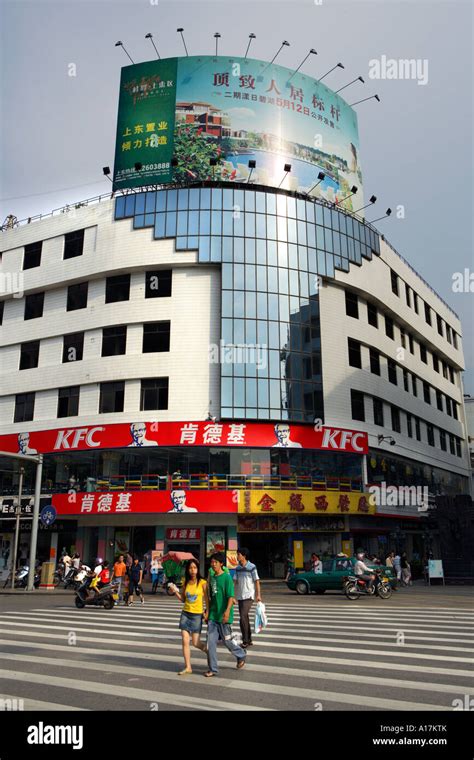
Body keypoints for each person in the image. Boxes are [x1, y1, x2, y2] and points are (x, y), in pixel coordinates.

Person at [204, 552, 247, 677]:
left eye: (215, 562)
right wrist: (207, 612)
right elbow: (211, 597)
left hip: (224, 616)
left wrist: (227, 612)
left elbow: (230, 597)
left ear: (221, 564)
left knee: (227, 642)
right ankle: (213, 669)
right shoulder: (212, 578)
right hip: (213, 616)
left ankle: (241, 654)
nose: (213, 564)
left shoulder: (227, 578)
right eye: (211, 562)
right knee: (210, 643)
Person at [170, 559, 208, 675]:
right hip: (185, 614)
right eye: (190, 568)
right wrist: (175, 591)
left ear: (197, 569)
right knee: (185, 641)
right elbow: (183, 599)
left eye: (194, 568)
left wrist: (207, 613)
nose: (192, 570)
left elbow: (207, 600)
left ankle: (209, 651)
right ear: (188, 569)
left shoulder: (202, 582)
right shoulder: (185, 582)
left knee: (196, 643)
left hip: (197, 615)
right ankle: (188, 667)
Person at [234, 548, 262, 649]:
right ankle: (249, 639)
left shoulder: (252, 567)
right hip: (240, 596)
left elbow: (257, 581)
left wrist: (258, 595)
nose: (237, 556)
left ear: (244, 556)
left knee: (242, 617)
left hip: (249, 596)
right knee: (244, 618)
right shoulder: (237, 568)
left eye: (239, 554)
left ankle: (245, 640)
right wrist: (232, 595)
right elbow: (234, 582)